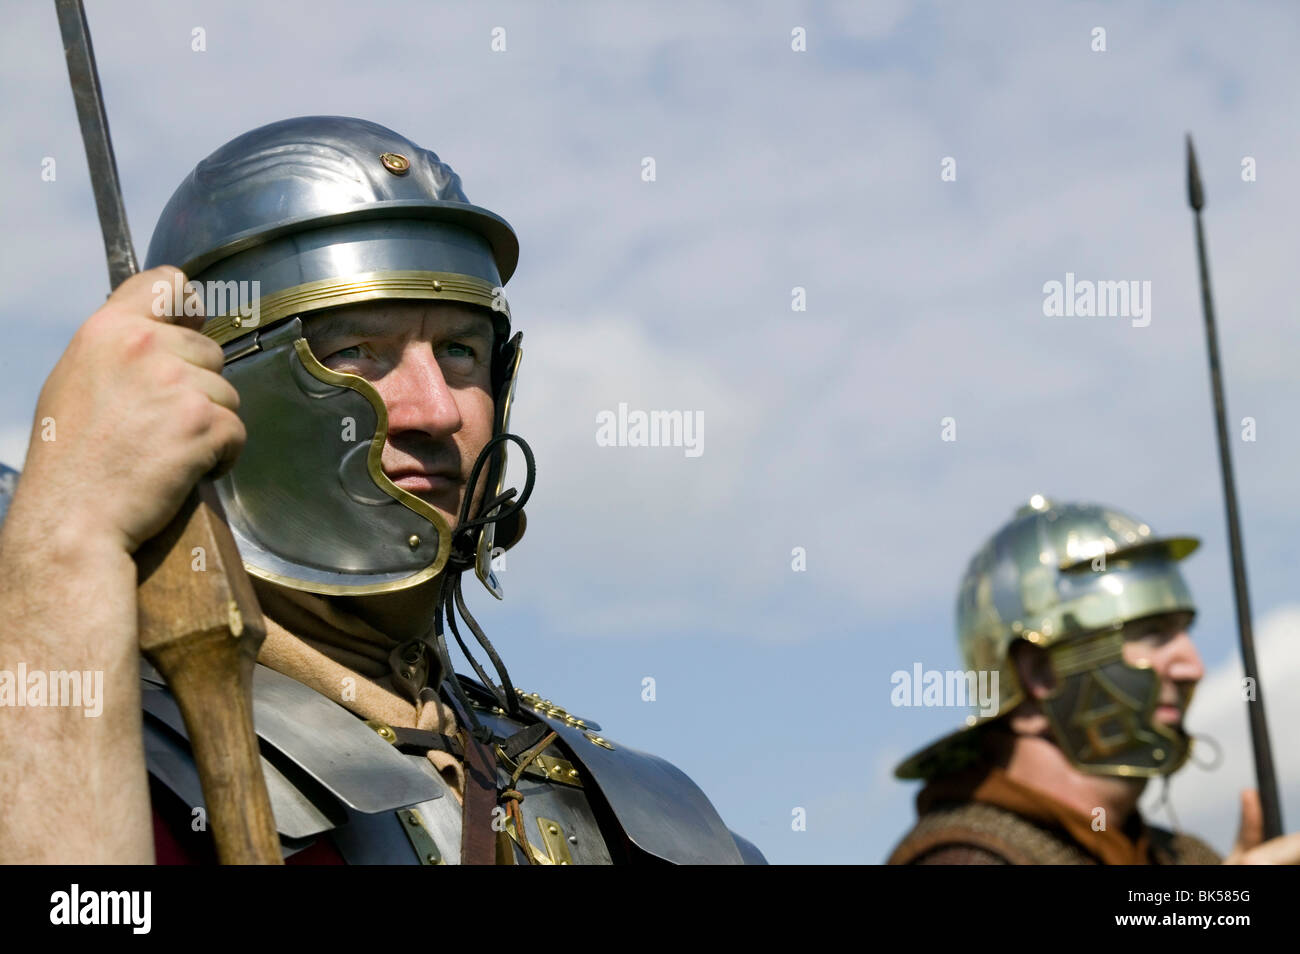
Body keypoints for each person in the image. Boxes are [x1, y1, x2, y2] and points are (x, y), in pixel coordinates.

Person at [0, 115, 764, 865]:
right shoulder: (96, 746)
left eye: (461, 353)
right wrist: (66, 540)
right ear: (214, 394)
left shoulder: (636, 816)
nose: (436, 409)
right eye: (358, 351)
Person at [887, 495, 1299, 865]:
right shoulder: (965, 859)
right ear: (1040, 673)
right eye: (1152, 633)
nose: (1193, 666)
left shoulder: (1184, 859)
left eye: (1184, 631)